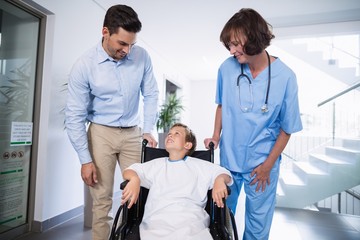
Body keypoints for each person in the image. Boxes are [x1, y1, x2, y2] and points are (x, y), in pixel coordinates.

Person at [204, 8, 303, 240]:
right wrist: (216, 136)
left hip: (262, 166)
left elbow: (287, 129)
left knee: (257, 229)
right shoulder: (227, 68)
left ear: (254, 37)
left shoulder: (286, 77)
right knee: (219, 222)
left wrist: (268, 165)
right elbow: (221, 105)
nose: (231, 50)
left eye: (236, 44)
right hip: (229, 161)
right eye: (228, 45)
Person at [65, 4, 159, 240]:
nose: (127, 50)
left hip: (133, 133)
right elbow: (74, 115)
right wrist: (85, 160)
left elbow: (151, 94)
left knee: (139, 194)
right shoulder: (84, 65)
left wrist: (148, 130)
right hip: (101, 134)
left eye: (132, 44)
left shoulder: (142, 56)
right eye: (122, 44)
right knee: (102, 201)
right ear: (105, 32)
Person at [122, 123, 233, 240]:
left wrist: (220, 179)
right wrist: (134, 179)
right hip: (157, 220)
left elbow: (225, 174)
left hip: (191, 221)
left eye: (176, 134)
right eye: (169, 134)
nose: (170, 136)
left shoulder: (199, 166)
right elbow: (130, 170)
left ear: (187, 145)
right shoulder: (156, 164)